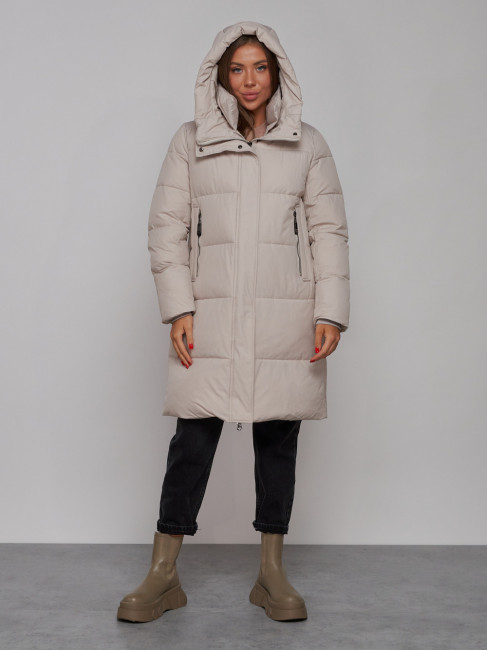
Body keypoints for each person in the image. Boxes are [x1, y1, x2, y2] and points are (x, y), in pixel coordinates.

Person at [117, 20, 349, 624]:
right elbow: (166, 227)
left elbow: (328, 232)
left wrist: (330, 311)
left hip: (284, 318)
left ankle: (272, 574)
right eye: (238, 68)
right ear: (221, 75)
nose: (249, 80)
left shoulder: (309, 145)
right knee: (192, 443)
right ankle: (163, 573)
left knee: (278, 443)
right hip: (212, 317)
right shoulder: (190, 141)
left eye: (260, 67)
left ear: (277, 73)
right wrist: (179, 307)